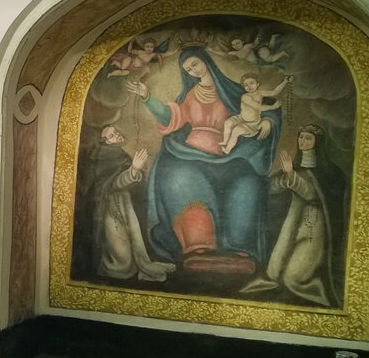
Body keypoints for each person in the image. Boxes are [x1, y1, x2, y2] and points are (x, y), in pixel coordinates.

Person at [125, 46, 281, 272]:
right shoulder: (191, 95)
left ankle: (239, 250)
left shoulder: (235, 92)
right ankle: (199, 248)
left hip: (229, 156)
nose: (193, 71)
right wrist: (146, 96)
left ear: (205, 60)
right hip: (190, 154)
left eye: (195, 64)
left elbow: (266, 106)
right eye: (188, 69)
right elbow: (170, 117)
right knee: (177, 176)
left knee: (248, 181)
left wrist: (268, 121)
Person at [241, 124, 347, 307]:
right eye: (301, 137)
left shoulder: (329, 173)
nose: (303, 141)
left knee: (293, 278)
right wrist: (285, 178)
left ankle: (316, 288)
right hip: (291, 225)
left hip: (314, 229)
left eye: (308, 138)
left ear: (317, 142)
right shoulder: (294, 166)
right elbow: (272, 188)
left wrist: (291, 175)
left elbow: (311, 194)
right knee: (274, 272)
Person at [72, 125, 175, 282]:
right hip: (109, 209)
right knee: (122, 261)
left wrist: (136, 171)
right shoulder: (102, 158)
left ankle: (143, 266)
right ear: (106, 141)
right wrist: (133, 170)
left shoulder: (120, 155)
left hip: (125, 205)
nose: (118, 135)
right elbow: (113, 183)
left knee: (135, 242)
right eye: (113, 135)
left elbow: (126, 182)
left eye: (116, 132)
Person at [220, 73, 293, 153]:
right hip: (240, 118)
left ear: (257, 84)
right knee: (228, 122)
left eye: (252, 83)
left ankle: (227, 150)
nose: (249, 86)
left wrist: (285, 82)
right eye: (246, 85)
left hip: (253, 123)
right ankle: (225, 141)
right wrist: (272, 107)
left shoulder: (260, 93)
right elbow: (258, 107)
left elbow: (274, 92)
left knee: (236, 131)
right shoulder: (245, 97)